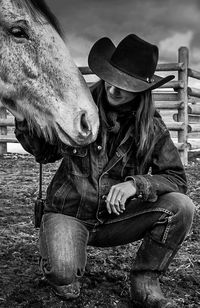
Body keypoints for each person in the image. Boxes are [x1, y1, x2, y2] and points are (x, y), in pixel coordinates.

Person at [15, 34, 195, 307]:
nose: (113, 89)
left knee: (181, 206)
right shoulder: (78, 108)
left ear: (142, 90)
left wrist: (137, 184)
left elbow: (177, 179)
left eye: (125, 84)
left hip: (116, 219)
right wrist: (24, 118)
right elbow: (45, 152)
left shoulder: (152, 129)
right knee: (63, 276)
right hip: (68, 212)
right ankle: (64, 257)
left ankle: (145, 279)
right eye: (111, 78)